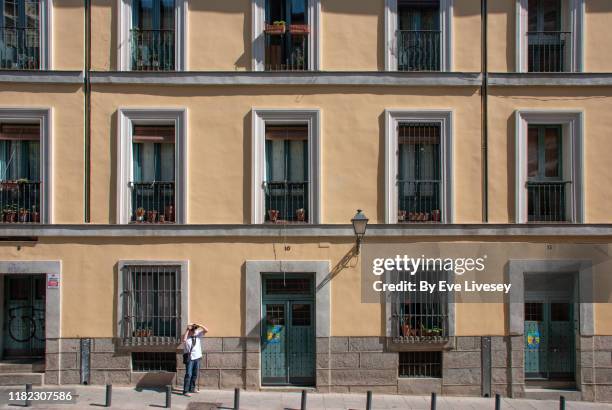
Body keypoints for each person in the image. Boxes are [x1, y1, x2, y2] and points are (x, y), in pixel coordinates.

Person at [182, 323, 208, 396]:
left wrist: (199, 325)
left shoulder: (198, 336)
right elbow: (184, 339)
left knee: (195, 374)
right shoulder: (187, 337)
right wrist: (187, 329)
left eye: (194, 330)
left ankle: (192, 388)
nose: (194, 331)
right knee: (188, 374)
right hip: (190, 358)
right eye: (192, 330)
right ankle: (185, 391)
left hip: (197, 357)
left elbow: (206, 330)